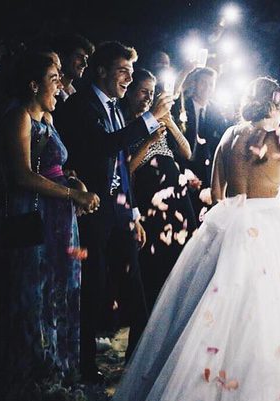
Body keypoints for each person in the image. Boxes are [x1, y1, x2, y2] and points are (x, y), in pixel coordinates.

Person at [103, 77, 280, 401]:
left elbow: (216, 190)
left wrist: (232, 216)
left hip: (226, 220)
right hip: (268, 223)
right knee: (268, 312)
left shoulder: (230, 136)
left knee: (210, 310)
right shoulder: (277, 139)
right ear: (275, 105)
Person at [56, 41, 174, 382]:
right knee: (92, 288)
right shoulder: (82, 106)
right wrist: (151, 120)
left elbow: (121, 164)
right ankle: (85, 365)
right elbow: (101, 148)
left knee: (134, 287)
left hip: (120, 212)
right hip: (91, 210)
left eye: (131, 73)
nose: (128, 79)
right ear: (101, 70)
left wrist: (133, 212)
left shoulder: (117, 109)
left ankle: (138, 363)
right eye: (123, 71)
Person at [0, 51, 99, 401]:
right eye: (54, 78)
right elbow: (23, 175)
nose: (60, 84)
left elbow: (56, 167)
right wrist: (71, 193)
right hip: (34, 218)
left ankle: (59, 375)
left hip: (60, 219)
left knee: (60, 293)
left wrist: (77, 185)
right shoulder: (19, 117)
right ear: (33, 84)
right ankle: (33, 385)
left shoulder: (49, 117)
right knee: (33, 296)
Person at [122, 69, 195, 311]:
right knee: (155, 268)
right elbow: (127, 168)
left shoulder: (158, 119)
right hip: (149, 201)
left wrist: (170, 122)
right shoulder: (126, 124)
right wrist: (150, 141)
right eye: (142, 91)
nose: (146, 97)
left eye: (150, 93)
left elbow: (187, 153)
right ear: (130, 92)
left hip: (178, 198)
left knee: (183, 261)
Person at [173, 67, 229, 222]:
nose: (207, 87)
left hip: (207, 169)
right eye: (203, 83)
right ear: (195, 83)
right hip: (181, 165)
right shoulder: (182, 106)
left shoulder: (216, 111)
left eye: (211, 84)